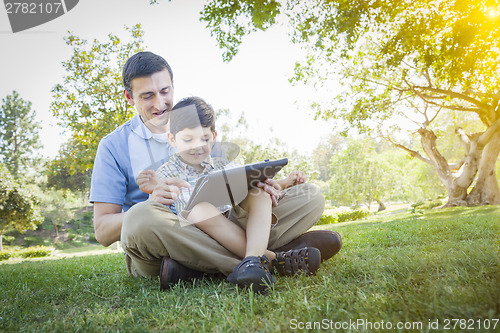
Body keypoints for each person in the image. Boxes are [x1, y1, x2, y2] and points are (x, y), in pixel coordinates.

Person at [90, 51, 342, 290]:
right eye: (147, 96)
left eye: (165, 91)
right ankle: (274, 260)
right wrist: (152, 202)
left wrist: (265, 185)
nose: (160, 103)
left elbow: (231, 186)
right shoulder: (113, 146)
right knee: (140, 217)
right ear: (129, 97)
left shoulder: (197, 124)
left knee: (310, 196)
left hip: (220, 226)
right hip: (164, 239)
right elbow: (102, 231)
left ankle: (196, 270)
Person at [137, 96, 321, 292]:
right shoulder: (164, 174)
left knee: (259, 191)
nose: (197, 146)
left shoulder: (224, 167)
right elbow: (156, 215)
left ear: (214, 136)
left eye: (204, 139)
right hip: (196, 236)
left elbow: (256, 182)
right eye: (188, 139)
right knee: (199, 210)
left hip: (233, 223)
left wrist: (282, 183)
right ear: (172, 139)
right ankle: (275, 259)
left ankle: (251, 263)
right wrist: (153, 195)